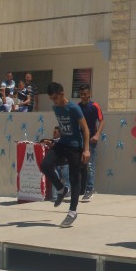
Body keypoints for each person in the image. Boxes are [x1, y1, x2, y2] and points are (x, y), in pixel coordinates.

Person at [40, 82, 90, 228]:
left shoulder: (73, 108)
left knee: (74, 179)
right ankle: (61, 189)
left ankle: (72, 212)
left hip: (75, 146)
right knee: (45, 165)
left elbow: (85, 128)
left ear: (62, 94)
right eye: (51, 99)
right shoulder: (56, 108)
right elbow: (63, 128)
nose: (54, 101)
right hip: (62, 143)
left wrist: (86, 149)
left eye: (55, 98)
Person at [78, 84, 105, 202]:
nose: (83, 96)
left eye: (85, 94)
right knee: (77, 165)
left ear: (89, 94)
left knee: (90, 165)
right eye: (81, 94)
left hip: (91, 141)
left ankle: (89, 190)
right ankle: (76, 189)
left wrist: (97, 134)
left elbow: (102, 121)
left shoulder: (94, 106)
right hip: (79, 139)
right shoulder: (77, 107)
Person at [40, 126, 70, 200]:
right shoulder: (52, 140)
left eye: (55, 132)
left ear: (60, 133)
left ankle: (67, 197)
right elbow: (42, 141)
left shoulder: (63, 141)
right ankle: (55, 197)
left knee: (66, 181)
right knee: (55, 179)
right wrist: (47, 142)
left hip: (64, 164)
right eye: (53, 132)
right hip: (56, 165)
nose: (53, 133)